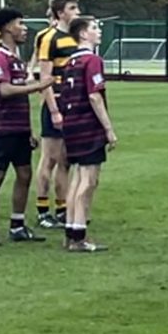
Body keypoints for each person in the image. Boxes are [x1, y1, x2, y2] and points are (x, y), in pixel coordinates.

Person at [0, 8, 54, 246]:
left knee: (24, 174)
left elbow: (21, 98)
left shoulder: (16, 60)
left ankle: (17, 225)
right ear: (7, 28)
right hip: (2, 126)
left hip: (20, 127)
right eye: (20, 24)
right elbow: (5, 90)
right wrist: (39, 86)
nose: (24, 28)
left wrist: (30, 130)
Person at [61, 17, 117, 252]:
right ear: (83, 34)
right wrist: (108, 129)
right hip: (88, 125)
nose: (98, 31)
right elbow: (94, 96)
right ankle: (80, 237)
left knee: (77, 178)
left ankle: (71, 231)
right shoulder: (92, 61)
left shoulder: (69, 62)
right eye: (94, 28)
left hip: (71, 125)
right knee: (89, 180)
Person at [35, 0, 81, 228]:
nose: (77, 13)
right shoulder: (49, 38)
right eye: (72, 9)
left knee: (66, 160)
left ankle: (62, 208)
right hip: (56, 103)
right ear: (60, 12)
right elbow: (45, 78)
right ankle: (43, 210)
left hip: (72, 105)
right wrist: (53, 110)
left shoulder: (76, 38)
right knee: (49, 159)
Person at [27, 7, 57, 77]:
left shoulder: (70, 34)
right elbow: (35, 53)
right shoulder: (42, 35)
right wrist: (30, 72)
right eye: (52, 17)